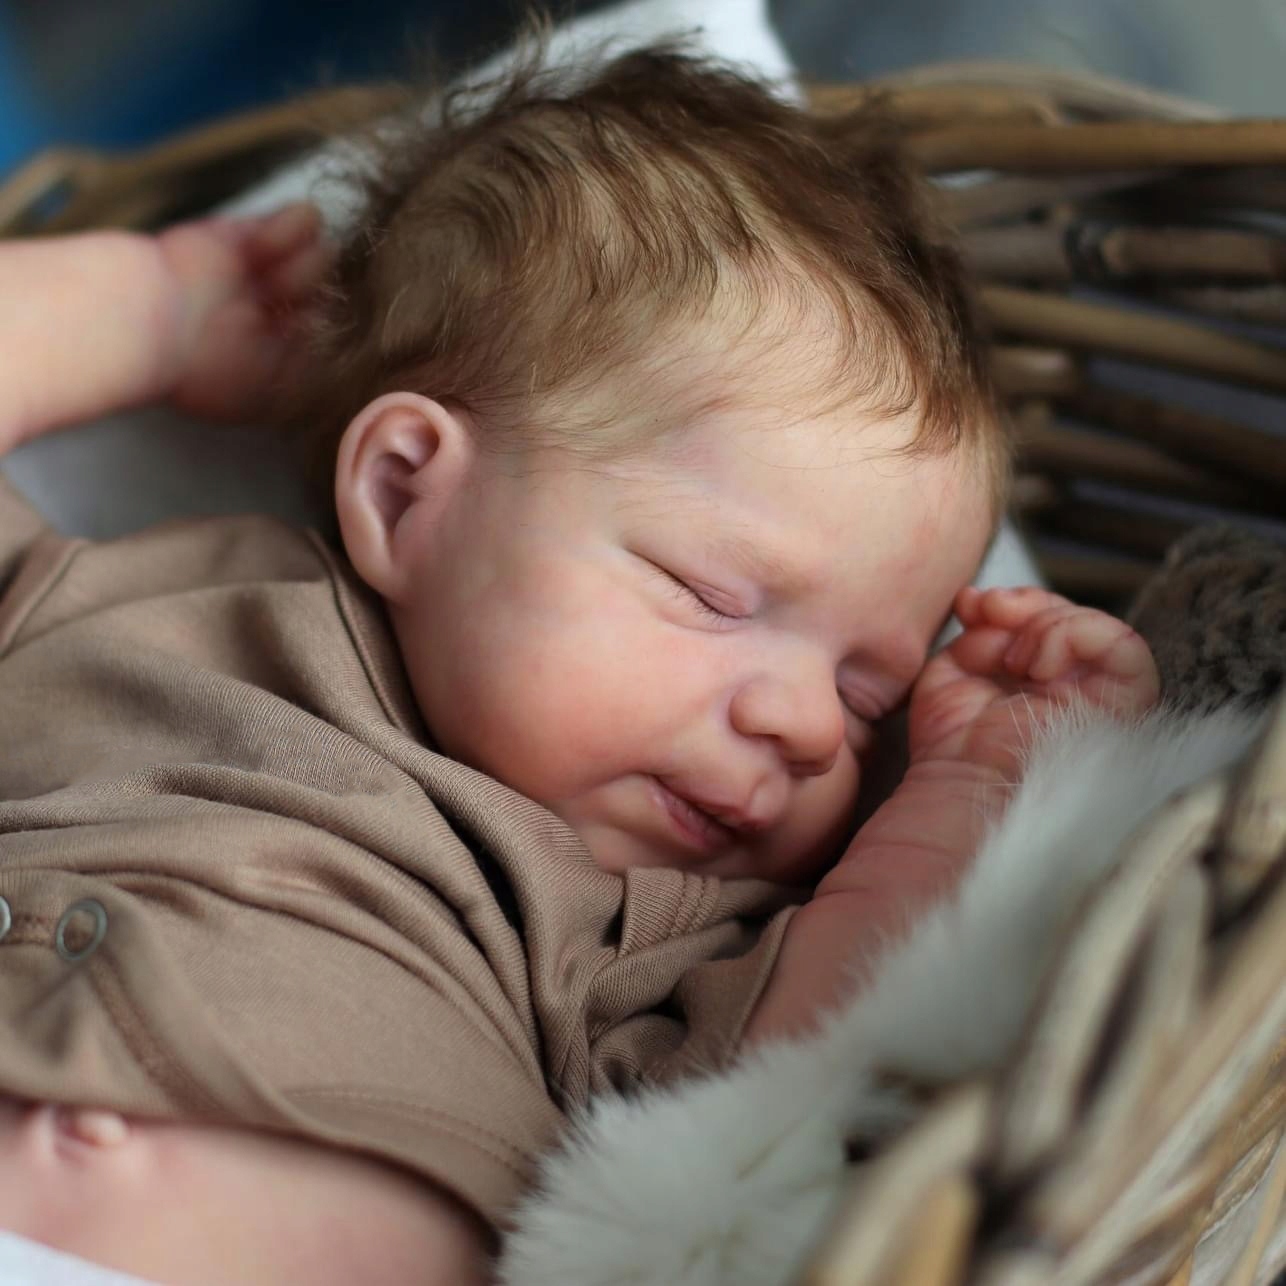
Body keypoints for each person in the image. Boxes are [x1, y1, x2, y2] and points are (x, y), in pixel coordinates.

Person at [0, 45, 1158, 1285]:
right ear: (405, 492)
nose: (808, 726)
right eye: (711, 594)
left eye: (865, 692)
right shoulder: (167, 602)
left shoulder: (672, 932)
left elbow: (810, 1076)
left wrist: (972, 783)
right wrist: (152, 310)